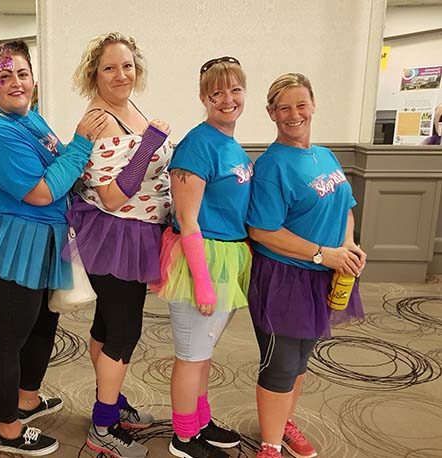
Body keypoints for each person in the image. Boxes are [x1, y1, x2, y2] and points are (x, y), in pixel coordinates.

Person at [0, 38, 107, 456]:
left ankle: (26, 401)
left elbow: (60, 173)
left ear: (34, 81)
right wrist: (80, 145)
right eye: (5, 76)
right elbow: (41, 192)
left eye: (22, 74)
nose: (16, 82)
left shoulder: (31, 119)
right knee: (8, 339)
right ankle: (7, 430)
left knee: (43, 325)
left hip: (42, 242)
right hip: (8, 246)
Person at [247, 73, 366, 458]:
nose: (293, 114)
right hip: (284, 277)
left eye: (301, 104)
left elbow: (346, 205)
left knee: (300, 361)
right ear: (271, 113)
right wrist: (322, 253)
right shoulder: (271, 166)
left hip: (324, 274)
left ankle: (283, 424)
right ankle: (270, 445)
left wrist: (347, 245)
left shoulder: (324, 155)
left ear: (313, 104)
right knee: (280, 363)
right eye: (284, 107)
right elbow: (262, 230)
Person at [70, 32, 170, 458]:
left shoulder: (127, 107)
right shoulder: (101, 119)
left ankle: (110, 403)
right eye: (110, 67)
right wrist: (150, 143)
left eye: (127, 66)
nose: (120, 74)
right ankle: (104, 425)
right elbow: (113, 195)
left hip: (136, 232)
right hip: (117, 235)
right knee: (124, 331)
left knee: (108, 326)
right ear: (94, 73)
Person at [152, 56, 251, 458]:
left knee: (204, 353)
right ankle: (184, 437)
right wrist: (203, 282)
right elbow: (187, 220)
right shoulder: (197, 145)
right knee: (191, 355)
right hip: (200, 261)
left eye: (235, 90)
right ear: (203, 97)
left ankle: (201, 421)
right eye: (217, 92)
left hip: (226, 255)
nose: (227, 99)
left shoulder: (229, 143)